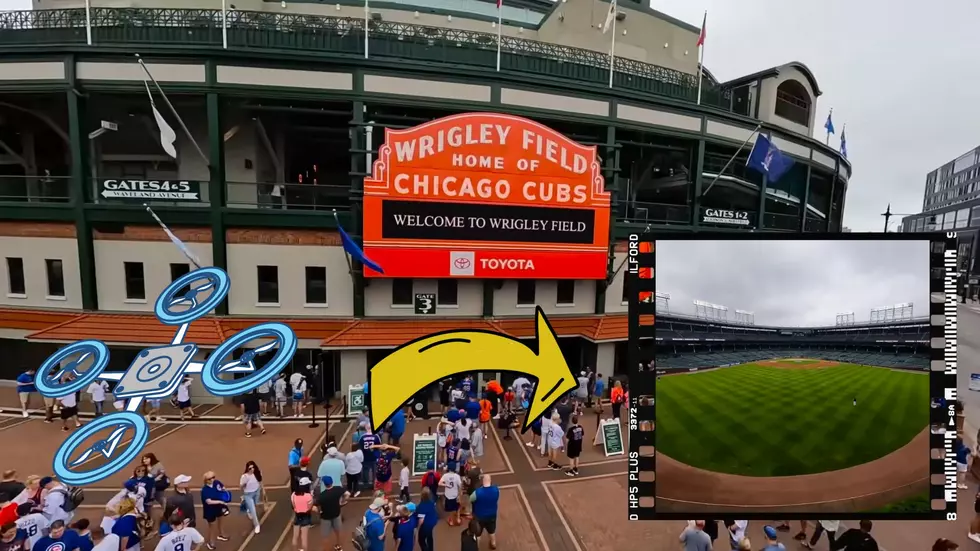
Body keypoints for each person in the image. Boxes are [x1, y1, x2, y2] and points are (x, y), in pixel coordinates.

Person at [316, 476, 348, 551]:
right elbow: (347, 494)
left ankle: (326, 549)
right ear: (332, 482)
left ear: (324, 484)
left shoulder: (322, 496)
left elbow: (315, 506)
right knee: (338, 531)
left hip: (325, 517)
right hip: (336, 514)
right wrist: (343, 501)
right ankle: (339, 546)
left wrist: (318, 512)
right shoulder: (338, 489)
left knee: (325, 536)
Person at [200, 472, 230, 550]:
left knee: (221, 521)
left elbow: (222, 488)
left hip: (219, 508)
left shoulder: (217, 483)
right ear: (206, 480)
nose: (212, 479)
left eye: (213, 477)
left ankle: (221, 534)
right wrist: (220, 501)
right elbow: (209, 502)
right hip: (210, 510)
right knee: (212, 527)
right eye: (210, 479)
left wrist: (224, 491)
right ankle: (211, 542)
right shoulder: (205, 490)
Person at [470, 474, 499, 550]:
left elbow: (471, 499)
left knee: (478, 533)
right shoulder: (496, 490)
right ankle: (493, 543)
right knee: (491, 530)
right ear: (491, 481)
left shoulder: (478, 492)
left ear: (482, 481)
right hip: (492, 514)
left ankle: (477, 547)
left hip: (479, 516)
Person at [239, 461, 266, 535]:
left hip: (256, 491)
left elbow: (260, 482)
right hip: (248, 495)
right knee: (253, 511)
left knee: (255, 504)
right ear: (247, 469)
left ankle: (248, 509)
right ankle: (257, 525)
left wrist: (263, 490)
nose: (252, 469)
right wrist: (245, 483)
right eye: (250, 468)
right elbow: (241, 487)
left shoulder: (258, 473)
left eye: (253, 467)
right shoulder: (244, 476)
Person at [290, 480, 316, 551]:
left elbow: (293, 506)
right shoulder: (308, 496)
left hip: (297, 516)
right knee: (304, 538)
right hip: (305, 516)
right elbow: (310, 507)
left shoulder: (293, 495)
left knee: (295, 537)